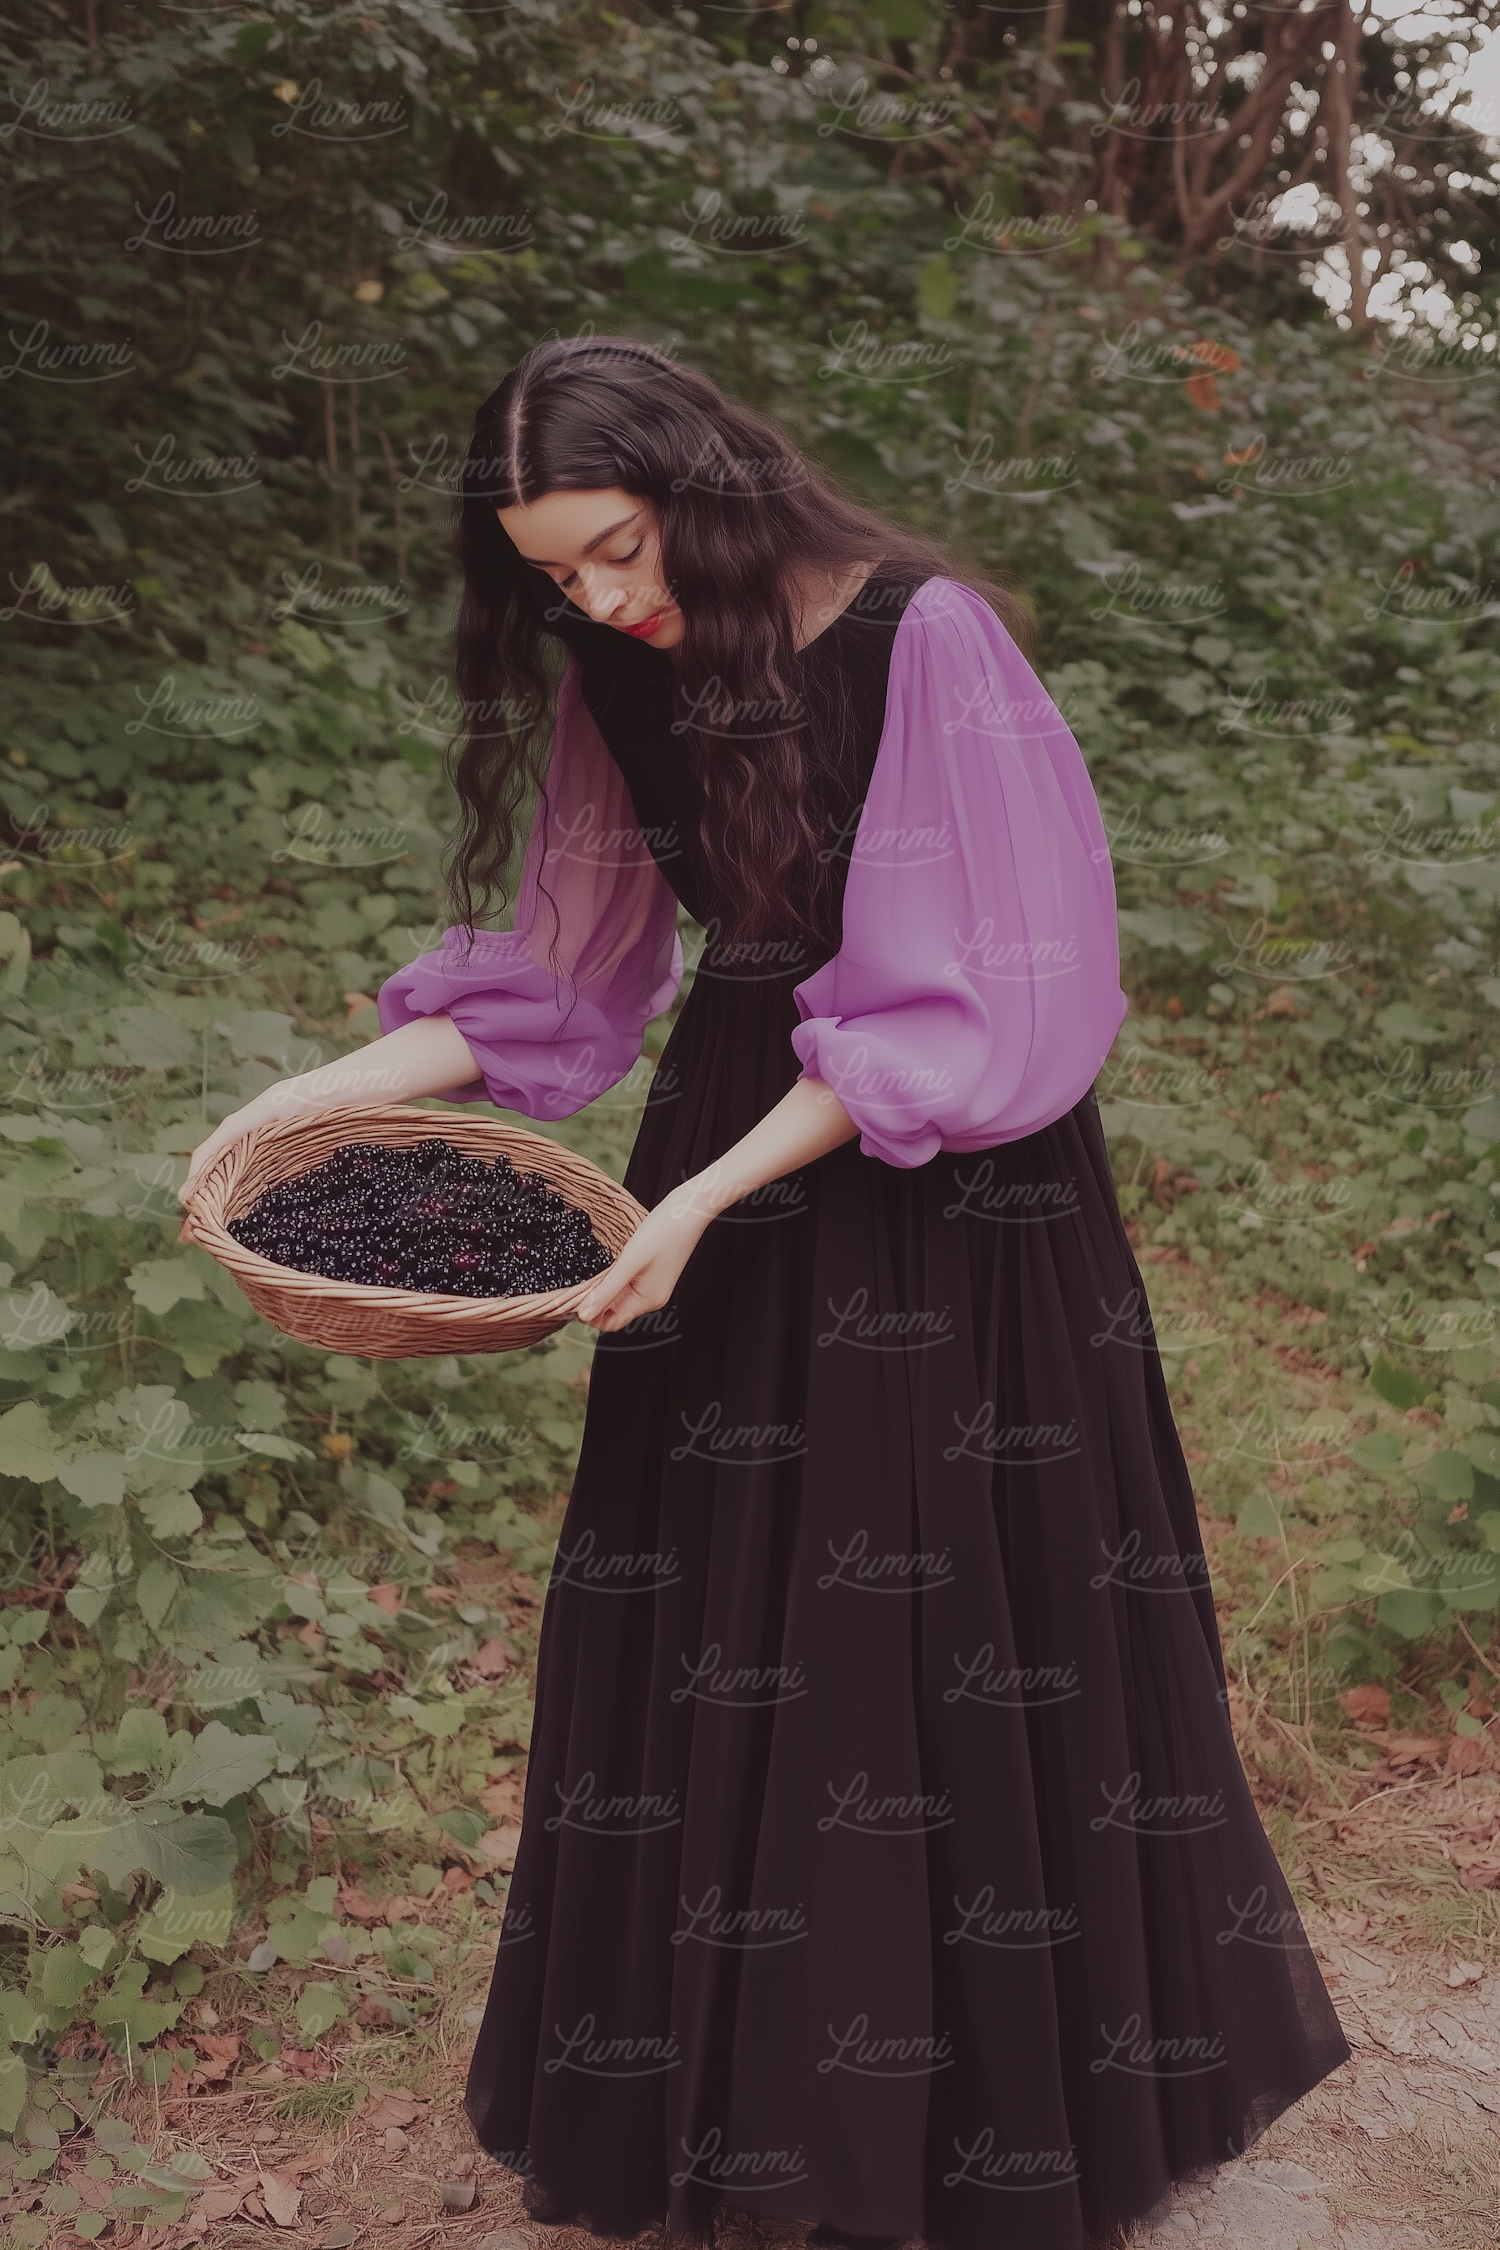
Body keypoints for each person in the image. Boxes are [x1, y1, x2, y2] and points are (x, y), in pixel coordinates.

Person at [181, 339, 1349, 2250]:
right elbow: (562, 974)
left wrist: (704, 1193)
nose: (603, 598)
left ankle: (980, 2120)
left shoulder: (927, 637)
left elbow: (966, 993)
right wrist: (304, 1094)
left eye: (619, 547)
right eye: (557, 575)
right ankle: (745, 2106)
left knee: (950, 1595)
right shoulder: (619, 675)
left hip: (944, 1184)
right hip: (729, 1148)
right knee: (731, 1600)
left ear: (704, 480)